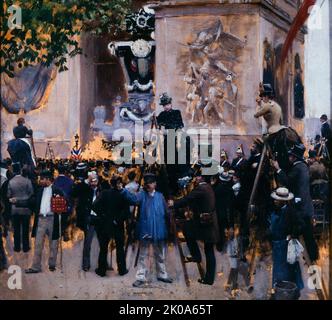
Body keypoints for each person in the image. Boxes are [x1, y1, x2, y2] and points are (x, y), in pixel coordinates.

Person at [122, 173, 173, 287]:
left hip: (159, 229)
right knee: (143, 254)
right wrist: (123, 190)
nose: (148, 185)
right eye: (146, 183)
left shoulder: (160, 196)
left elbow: (166, 212)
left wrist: (168, 223)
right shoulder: (142, 195)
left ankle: (162, 275)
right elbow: (133, 199)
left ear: (155, 184)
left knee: (160, 254)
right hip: (146, 230)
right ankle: (140, 277)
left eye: (150, 183)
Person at [169, 170, 220, 285]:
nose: (196, 179)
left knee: (187, 229)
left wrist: (174, 203)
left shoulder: (201, 189)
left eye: (197, 177)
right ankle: (208, 277)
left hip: (207, 224)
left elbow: (188, 199)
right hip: (210, 222)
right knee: (208, 250)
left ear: (201, 178)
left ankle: (197, 257)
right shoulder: (208, 187)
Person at [272, 144, 319, 262]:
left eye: (291, 155)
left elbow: (287, 181)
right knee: (307, 234)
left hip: (300, 207)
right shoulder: (303, 166)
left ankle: (303, 260)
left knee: (300, 232)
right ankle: (313, 257)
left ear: (294, 157)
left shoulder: (297, 168)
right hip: (305, 205)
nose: (289, 157)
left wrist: (278, 169)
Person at [25, 170, 65, 273]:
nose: (40, 181)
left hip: (52, 219)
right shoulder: (39, 190)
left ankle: (52, 264)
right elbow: (31, 201)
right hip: (41, 220)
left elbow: (66, 204)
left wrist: (60, 203)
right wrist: (18, 202)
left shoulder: (57, 190)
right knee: (38, 244)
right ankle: (35, 267)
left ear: (47, 179)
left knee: (54, 243)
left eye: (42, 179)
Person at [269, 187, 304, 298]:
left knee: (287, 272)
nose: (275, 201)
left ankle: (287, 293)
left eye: (277, 199)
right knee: (278, 272)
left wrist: (292, 235)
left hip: (285, 246)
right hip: (276, 246)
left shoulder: (290, 211)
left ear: (283, 201)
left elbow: (301, 225)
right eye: (275, 199)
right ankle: (279, 291)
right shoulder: (275, 210)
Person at [92, 175, 129, 277]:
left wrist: (103, 215)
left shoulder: (104, 193)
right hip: (118, 225)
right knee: (120, 248)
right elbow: (126, 212)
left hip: (105, 224)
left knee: (103, 248)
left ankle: (101, 270)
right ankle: (121, 270)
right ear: (117, 184)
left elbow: (94, 206)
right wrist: (118, 220)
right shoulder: (123, 195)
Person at [72, 172, 100, 271]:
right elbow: (75, 192)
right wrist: (86, 181)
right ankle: (86, 264)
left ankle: (102, 264)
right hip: (89, 218)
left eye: (95, 180)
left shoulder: (102, 191)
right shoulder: (85, 189)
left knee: (103, 243)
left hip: (100, 218)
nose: (93, 183)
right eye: (91, 181)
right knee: (88, 243)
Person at [7, 164, 34, 253]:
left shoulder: (11, 182)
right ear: (21, 170)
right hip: (26, 209)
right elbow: (31, 193)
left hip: (15, 209)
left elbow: (8, 195)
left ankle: (17, 247)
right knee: (26, 229)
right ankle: (25, 247)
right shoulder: (27, 181)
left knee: (16, 229)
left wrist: (15, 199)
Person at [214, 170, 234, 252]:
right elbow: (231, 204)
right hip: (226, 212)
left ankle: (218, 244)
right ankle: (221, 244)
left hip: (217, 211)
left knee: (218, 228)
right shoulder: (230, 190)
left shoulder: (216, 189)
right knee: (222, 228)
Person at [53, 164, 74, 241]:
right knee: (66, 219)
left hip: (57, 204)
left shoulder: (55, 181)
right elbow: (72, 193)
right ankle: (65, 232)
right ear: (65, 171)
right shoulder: (70, 181)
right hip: (67, 204)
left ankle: (58, 233)